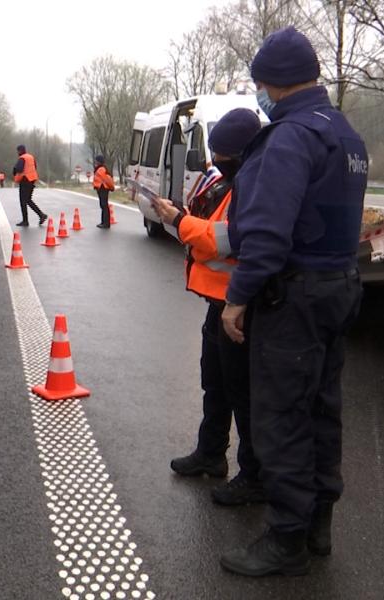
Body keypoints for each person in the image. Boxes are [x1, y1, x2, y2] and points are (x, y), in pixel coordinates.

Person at [218, 26, 367, 578]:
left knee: (281, 413)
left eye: (260, 84)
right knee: (323, 407)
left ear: (274, 83)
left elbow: (268, 235)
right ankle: (319, 522)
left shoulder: (289, 137)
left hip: (296, 295)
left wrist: (237, 299)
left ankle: (286, 538)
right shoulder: (345, 134)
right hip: (338, 287)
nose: (260, 94)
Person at [151, 109, 265, 506]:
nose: (215, 159)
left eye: (221, 152)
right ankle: (211, 453)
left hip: (238, 303)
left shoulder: (251, 184)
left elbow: (224, 240)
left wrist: (180, 221)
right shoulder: (227, 183)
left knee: (242, 392)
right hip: (218, 303)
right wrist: (184, 222)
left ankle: (254, 474)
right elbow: (209, 234)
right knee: (214, 382)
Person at [12, 144, 47, 226]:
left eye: (18, 151)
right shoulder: (31, 157)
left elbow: (19, 169)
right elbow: (34, 167)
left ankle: (25, 221)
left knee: (23, 201)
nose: (17, 152)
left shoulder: (22, 158)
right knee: (28, 200)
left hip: (25, 181)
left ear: (20, 151)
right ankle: (41, 215)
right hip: (31, 180)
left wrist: (14, 169)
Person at [92, 155, 115, 228]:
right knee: (103, 205)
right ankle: (103, 222)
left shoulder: (101, 169)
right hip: (101, 188)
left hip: (103, 188)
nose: (95, 162)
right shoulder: (100, 169)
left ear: (99, 161)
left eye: (96, 161)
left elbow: (106, 179)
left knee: (104, 205)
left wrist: (111, 187)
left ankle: (106, 223)